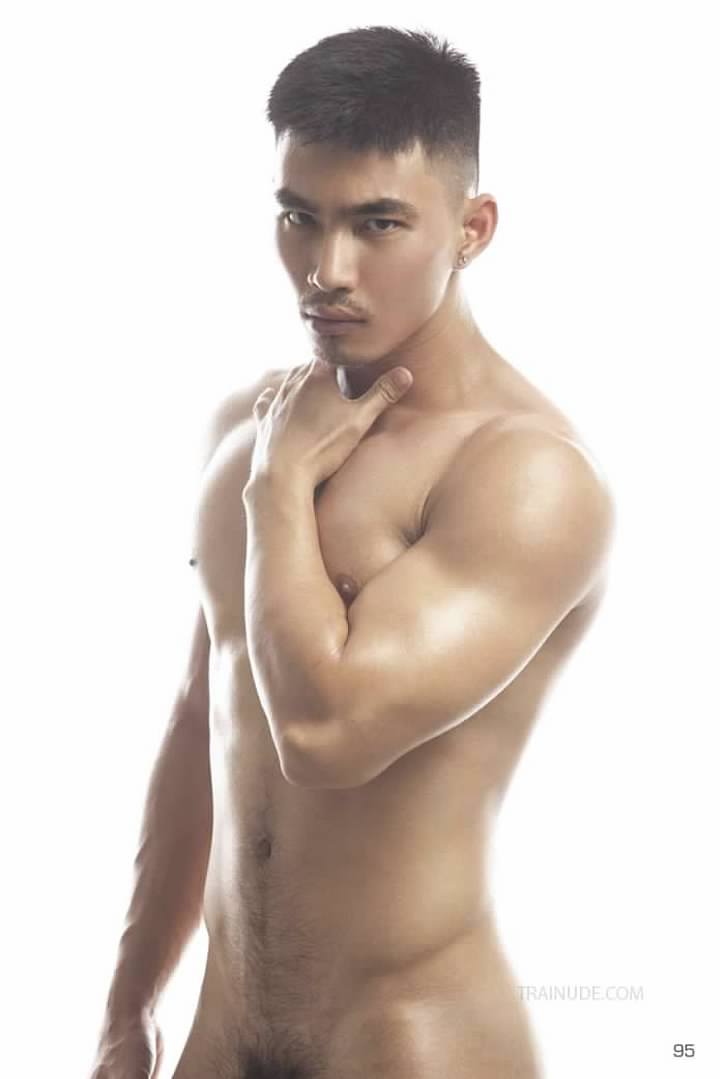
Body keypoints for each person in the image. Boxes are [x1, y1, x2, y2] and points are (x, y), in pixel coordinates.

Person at [90, 25, 615, 1079]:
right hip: (221, 1034)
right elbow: (204, 718)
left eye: (379, 223)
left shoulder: (526, 476)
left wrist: (280, 489)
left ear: (472, 228)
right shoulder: (249, 424)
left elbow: (326, 734)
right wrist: (128, 1007)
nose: (326, 272)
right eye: (301, 217)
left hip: (410, 1041)